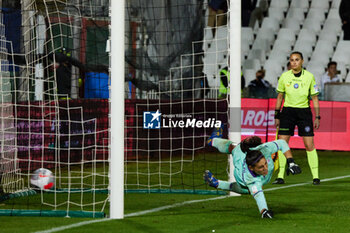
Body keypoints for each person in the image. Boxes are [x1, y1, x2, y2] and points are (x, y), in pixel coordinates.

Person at [205, 126, 302, 218]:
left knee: (233, 146)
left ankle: (213, 140)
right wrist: (264, 211)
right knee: (246, 189)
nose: (265, 168)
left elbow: (282, 143)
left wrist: (291, 162)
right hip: (241, 177)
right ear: (252, 168)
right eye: (261, 167)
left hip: (244, 154)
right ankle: (217, 183)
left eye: (265, 164)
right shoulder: (250, 178)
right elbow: (258, 195)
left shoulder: (264, 149)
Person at [273, 51, 321, 185]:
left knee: (309, 145)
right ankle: (280, 176)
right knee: (282, 144)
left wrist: (317, 116)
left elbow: (315, 98)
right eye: (292, 60)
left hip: (304, 113)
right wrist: (277, 115)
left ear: (302, 61)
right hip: (287, 112)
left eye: (297, 60)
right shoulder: (284, 76)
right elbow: (280, 97)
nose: (294, 62)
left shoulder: (309, 77)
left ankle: (315, 177)